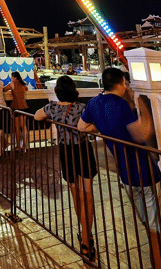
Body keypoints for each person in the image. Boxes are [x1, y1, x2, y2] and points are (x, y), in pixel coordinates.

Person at [79, 67, 161, 269]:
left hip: (126, 175)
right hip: (145, 172)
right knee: (155, 232)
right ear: (122, 83)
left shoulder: (94, 103)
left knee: (150, 228)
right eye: (125, 83)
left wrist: (102, 127)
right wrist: (139, 102)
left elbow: (81, 127)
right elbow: (142, 133)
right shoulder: (122, 105)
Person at [35, 76, 98, 262]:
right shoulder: (82, 107)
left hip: (66, 153)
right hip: (84, 151)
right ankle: (87, 238)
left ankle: (85, 235)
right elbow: (94, 126)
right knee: (87, 194)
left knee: (75, 193)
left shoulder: (52, 108)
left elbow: (38, 116)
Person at [5, 71, 30, 152]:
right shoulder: (23, 84)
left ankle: (18, 146)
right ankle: (25, 146)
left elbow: (4, 89)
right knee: (24, 126)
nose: (11, 78)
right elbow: (27, 89)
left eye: (11, 77)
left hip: (15, 107)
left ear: (14, 77)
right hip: (24, 106)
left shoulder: (12, 84)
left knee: (17, 127)